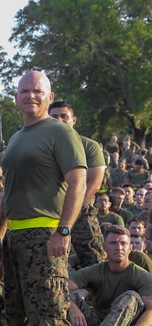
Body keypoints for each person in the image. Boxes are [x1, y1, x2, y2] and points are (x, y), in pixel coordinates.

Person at [0, 71, 86, 326]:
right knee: (17, 315)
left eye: (37, 91)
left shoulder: (60, 132)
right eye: (24, 91)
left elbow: (77, 180)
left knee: (48, 314)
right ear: (16, 97)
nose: (30, 96)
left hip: (45, 234)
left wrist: (63, 230)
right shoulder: (17, 138)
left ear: (49, 96)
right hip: (16, 236)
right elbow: (8, 192)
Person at [69, 226, 152, 326]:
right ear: (104, 247)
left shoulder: (141, 276)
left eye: (123, 243)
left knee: (131, 296)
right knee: (68, 297)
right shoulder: (95, 271)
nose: (119, 247)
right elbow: (61, 286)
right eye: (113, 243)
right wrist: (72, 306)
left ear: (130, 247)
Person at [49, 102, 107, 268]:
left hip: (81, 211)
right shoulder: (43, 145)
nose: (59, 120)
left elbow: (95, 182)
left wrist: (71, 208)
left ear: (73, 120)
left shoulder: (89, 146)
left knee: (95, 261)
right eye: (54, 117)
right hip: (49, 212)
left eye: (64, 116)